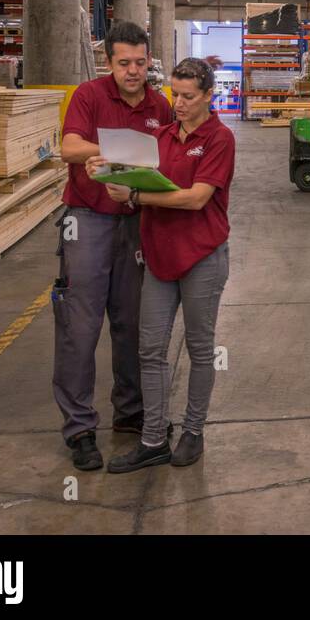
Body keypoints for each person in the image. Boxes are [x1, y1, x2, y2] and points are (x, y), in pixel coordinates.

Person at [94, 57, 235, 472]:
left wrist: (137, 199)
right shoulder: (165, 136)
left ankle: (193, 432)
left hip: (202, 256)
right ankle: (154, 438)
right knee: (151, 348)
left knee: (199, 347)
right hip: (159, 256)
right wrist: (109, 173)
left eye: (189, 96)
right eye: (175, 94)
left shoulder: (219, 139)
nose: (179, 103)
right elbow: (143, 178)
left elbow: (196, 198)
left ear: (209, 95)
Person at [54, 21, 172, 471]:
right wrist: (103, 152)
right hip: (87, 221)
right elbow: (67, 147)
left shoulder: (158, 104)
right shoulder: (88, 95)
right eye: (124, 63)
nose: (133, 71)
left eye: (141, 63)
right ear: (109, 63)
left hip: (136, 222)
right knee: (80, 327)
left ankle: (131, 412)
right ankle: (80, 428)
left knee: (133, 324)